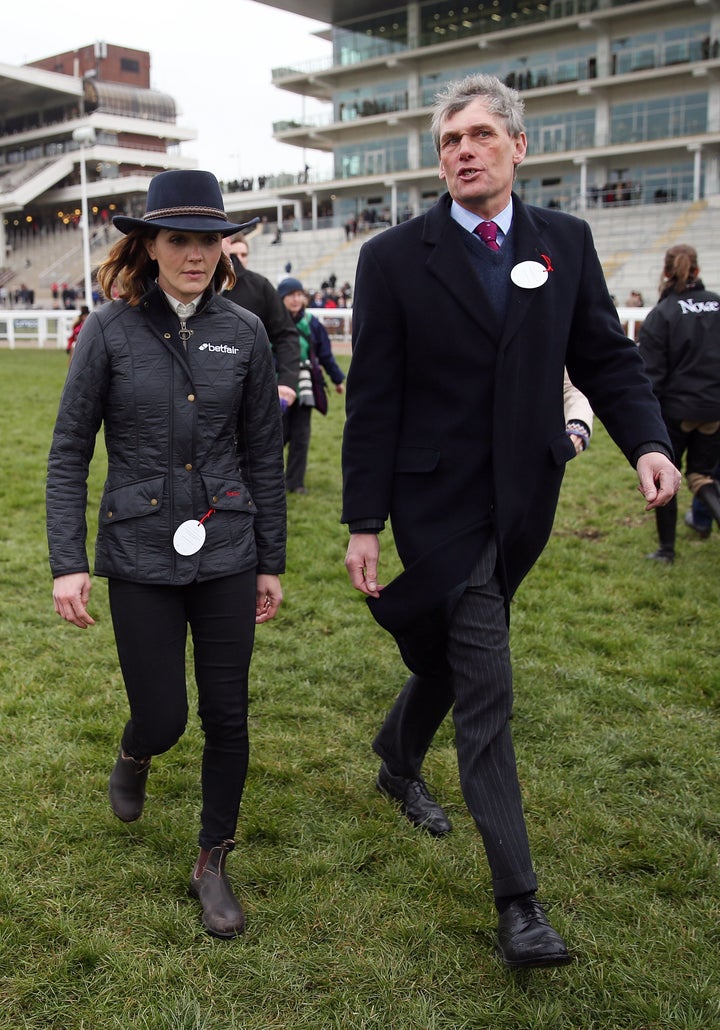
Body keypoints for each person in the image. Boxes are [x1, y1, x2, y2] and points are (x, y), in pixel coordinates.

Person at [341, 73, 679, 970]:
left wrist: (645, 441)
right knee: (487, 680)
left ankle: (395, 755)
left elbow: (604, 356)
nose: (463, 150)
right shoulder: (392, 258)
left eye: (482, 135)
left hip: (525, 500)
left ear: (518, 148)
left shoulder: (564, 241)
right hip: (434, 502)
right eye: (451, 139)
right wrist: (363, 520)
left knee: (457, 651)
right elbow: (372, 399)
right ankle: (519, 904)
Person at [46, 170, 287, 940]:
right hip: (138, 549)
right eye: (178, 239)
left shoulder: (246, 333)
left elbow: (262, 453)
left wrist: (270, 561)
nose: (194, 254)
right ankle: (136, 748)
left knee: (228, 715)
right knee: (165, 715)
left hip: (228, 547)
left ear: (224, 246)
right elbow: (68, 451)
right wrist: (66, 560)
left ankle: (212, 859)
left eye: (208, 239)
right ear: (147, 244)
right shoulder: (109, 331)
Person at [638, 243, 720, 563]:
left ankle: (666, 551)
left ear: (666, 272)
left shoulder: (663, 314)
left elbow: (650, 376)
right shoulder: (716, 304)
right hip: (715, 409)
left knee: (665, 476)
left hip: (677, 411)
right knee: (701, 477)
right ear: (697, 271)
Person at [277, 276, 345, 493]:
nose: (296, 299)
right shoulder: (273, 322)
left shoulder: (312, 323)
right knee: (276, 436)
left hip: (306, 387)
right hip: (278, 386)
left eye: (299, 295)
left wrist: (337, 379)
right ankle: (268, 479)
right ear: (281, 299)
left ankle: (295, 482)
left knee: (301, 436)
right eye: (291, 295)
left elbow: (325, 354)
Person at [222, 232, 299, 411]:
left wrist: (287, 381)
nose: (238, 259)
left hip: (252, 391)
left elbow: (285, 334)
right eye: (234, 255)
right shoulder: (197, 286)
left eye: (243, 255)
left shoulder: (260, 286)